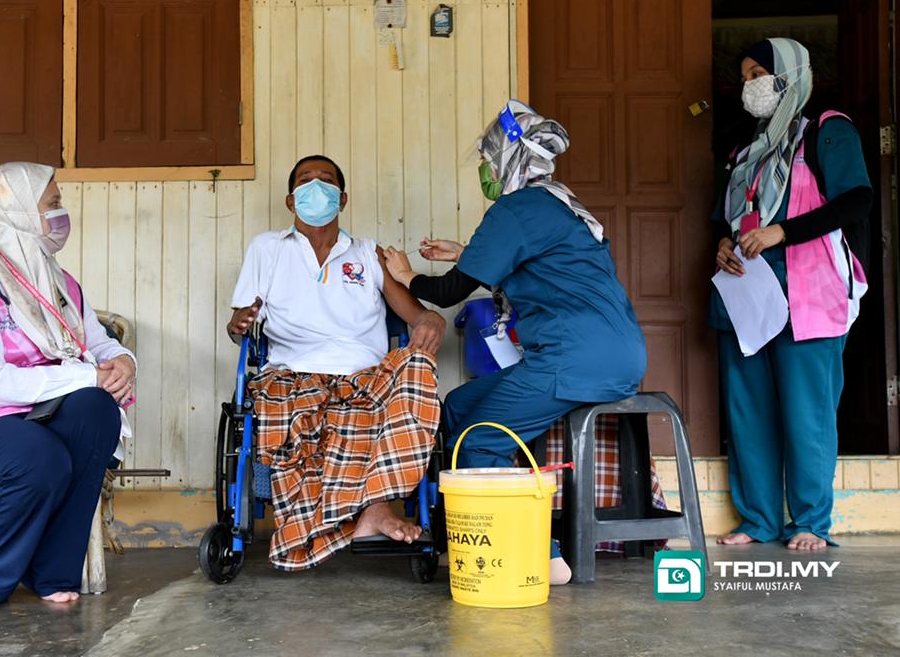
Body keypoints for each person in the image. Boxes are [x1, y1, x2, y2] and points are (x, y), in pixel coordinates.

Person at [384, 100, 650, 585]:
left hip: (576, 358)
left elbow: (448, 292)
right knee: (462, 405)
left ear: (510, 158)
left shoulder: (516, 206)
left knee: (483, 436)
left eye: (488, 159)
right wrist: (468, 254)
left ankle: (537, 555)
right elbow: (543, 269)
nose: (485, 170)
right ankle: (457, 533)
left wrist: (408, 277)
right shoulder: (557, 201)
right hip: (613, 352)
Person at [0, 162, 136, 610]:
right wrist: (87, 374)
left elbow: (97, 342)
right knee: (38, 453)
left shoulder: (58, 282)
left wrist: (121, 361)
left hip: (37, 413)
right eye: (51, 204)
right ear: (18, 212)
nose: (60, 214)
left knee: (96, 411)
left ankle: (51, 571)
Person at [228, 154, 447, 571]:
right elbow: (240, 322)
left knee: (417, 367)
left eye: (326, 181)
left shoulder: (366, 253)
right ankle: (360, 514)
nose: (316, 187)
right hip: (292, 373)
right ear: (291, 201)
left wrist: (432, 319)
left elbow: (417, 315)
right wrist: (238, 322)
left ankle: (376, 508)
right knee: (298, 405)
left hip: (366, 376)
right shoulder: (267, 248)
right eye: (305, 181)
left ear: (342, 198)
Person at [711, 38, 871, 551]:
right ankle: (758, 519)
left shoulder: (826, 131)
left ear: (790, 74)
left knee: (808, 413)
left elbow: (856, 200)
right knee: (749, 411)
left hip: (808, 295)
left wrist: (785, 232)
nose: (750, 84)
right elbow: (726, 216)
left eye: (760, 72)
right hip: (747, 294)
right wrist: (721, 243)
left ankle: (809, 522)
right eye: (744, 76)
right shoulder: (745, 147)